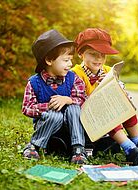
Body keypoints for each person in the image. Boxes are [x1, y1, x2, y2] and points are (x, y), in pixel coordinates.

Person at [72, 28, 138, 166]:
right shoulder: (75, 74)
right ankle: (130, 150)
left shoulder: (108, 70)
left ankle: (137, 141)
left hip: (105, 117)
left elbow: (119, 90)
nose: (99, 59)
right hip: (87, 119)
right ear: (80, 54)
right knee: (106, 110)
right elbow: (78, 102)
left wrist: (119, 91)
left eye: (102, 55)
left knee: (124, 102)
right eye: (93, 54)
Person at [21, 29, 87, 164]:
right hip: (48, 125)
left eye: (71, 60)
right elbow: (27, 108)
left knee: (74, 108)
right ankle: (35, 146)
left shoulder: (73, 78)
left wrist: (68, 100)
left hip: (71, 126)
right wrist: (48, 107)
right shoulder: (34, 82)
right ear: (49, 60)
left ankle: (78, 149)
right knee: (54, 114)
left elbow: (82, 99)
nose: (70, 64)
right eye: (66, 60)